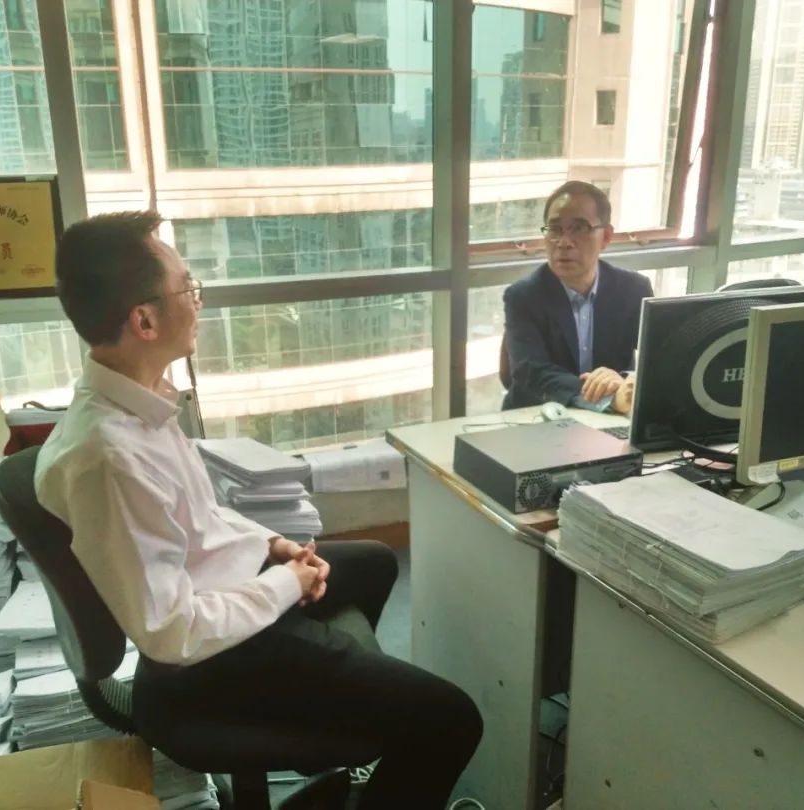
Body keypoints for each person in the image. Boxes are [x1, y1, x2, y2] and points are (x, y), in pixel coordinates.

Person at [34, 211, 482, 809]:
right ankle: (346, 721)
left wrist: (272, 545)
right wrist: (284, 584)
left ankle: (345, 726)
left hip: (223, 592)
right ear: (144, 320)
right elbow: (172, 632)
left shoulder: (137, 401)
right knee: (453, 718)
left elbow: (200, 515)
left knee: (375, 562)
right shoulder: (109, 457)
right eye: (187, 289)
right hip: (207, 661)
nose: (198, 302)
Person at [502, 180, 652, 413]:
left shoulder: (633, 289)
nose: (563, 243)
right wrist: (608, 397)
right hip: (540, 416)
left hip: (610, 418)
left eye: (579, 228)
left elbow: (656, 361)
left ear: (606, 237)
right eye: (555, 229)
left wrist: (625, 381)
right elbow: (532, 371)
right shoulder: (523, 296)